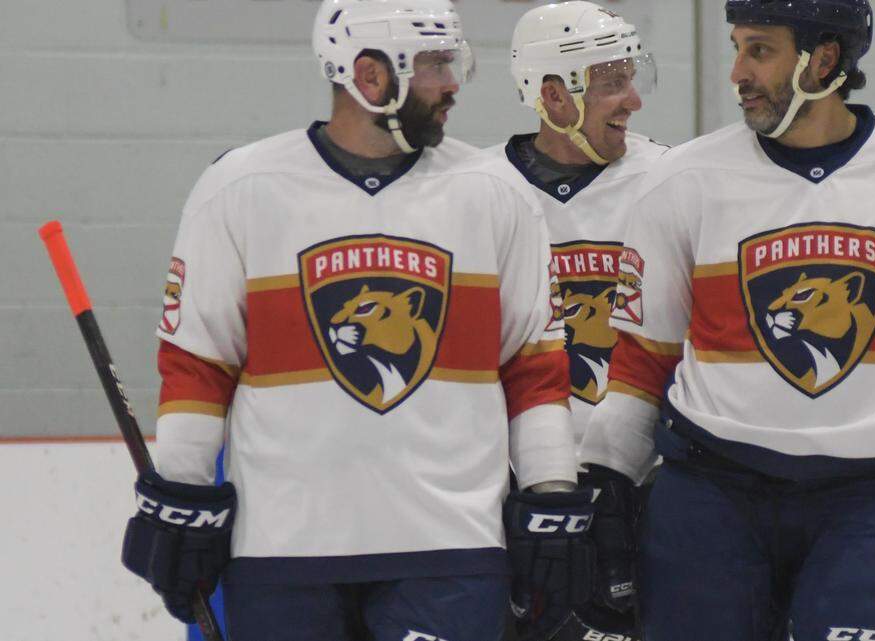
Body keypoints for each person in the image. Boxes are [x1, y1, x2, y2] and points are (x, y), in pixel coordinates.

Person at [577, 1, 875, 641]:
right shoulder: (683, 180)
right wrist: (605, 487)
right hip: (709, 499)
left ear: (825, 60)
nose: (737, 72)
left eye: (760, 51)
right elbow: (639, 366)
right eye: (737, 47)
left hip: (873, 504)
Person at [119, 1, 594, 639]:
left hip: (451, 546)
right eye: (433, 64)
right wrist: (180, 493)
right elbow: (198, 362)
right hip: (283, 548)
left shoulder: (495, 193)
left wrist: (550, 492)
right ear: (370, 77)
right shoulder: (240, 187)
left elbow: (534, 366)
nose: (453, 82)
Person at [492, 4, 666, 639]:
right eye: (611, 83)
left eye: (632, 76)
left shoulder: (676, 180)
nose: (633, 100)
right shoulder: (475, 190)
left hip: (648, 495)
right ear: (554, 96)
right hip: (510, 499)